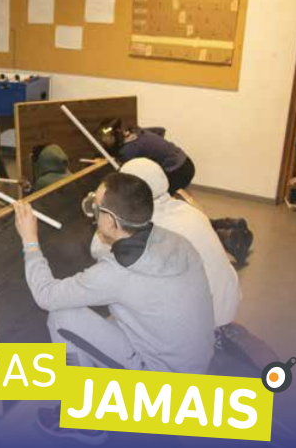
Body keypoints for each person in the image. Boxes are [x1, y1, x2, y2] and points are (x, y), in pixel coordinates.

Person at [14, 173, 215, 444]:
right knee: (111, 316)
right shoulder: (174, 241)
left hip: (166, 388)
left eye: (96, 207)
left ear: (111, 220)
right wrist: (105, 232)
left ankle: (84, 420)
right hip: (195, 365)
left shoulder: (117, 274)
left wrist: (30, 241)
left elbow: (46, 295)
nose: (92, 212)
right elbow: (110, 255)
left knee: (62, 317)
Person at [91, 158, 241, 329]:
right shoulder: (189, 211)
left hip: (188, 332)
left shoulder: (140, 230)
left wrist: (103, 220)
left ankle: (53, 355)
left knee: (69, 324)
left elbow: (98, 251)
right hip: (225, 310)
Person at [98, 118, 195, 194]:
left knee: (156, 196)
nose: (106, 142)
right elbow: (161, 130)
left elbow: (124, 172)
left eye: (109, 138)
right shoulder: (137, 131)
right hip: (185, 161)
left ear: (118, 136)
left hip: (179, 171)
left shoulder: (129, 150)